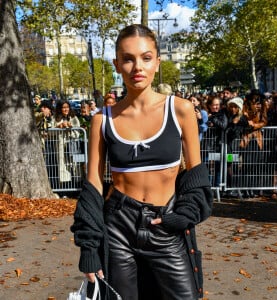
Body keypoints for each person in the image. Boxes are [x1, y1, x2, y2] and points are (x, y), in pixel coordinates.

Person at [71, 24, 213, 300]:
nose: (137, 66)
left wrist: (183, 216)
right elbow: (93, 185)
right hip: (118, 228)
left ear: (157, 62)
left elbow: (195, 173)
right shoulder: (102, 120)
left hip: (166, 225)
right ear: (116, 64)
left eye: (146, 58)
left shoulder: (180, 110)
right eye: (128, 58)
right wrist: (88, 249)